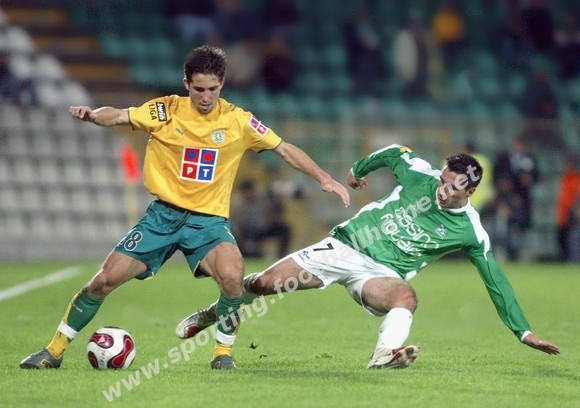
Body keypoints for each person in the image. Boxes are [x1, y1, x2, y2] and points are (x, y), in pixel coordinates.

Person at [19, 45, 350, 370]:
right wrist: (93, 116)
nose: (206, 97)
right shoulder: (164, 111)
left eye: (213, 89)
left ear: (222, 84)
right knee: (103, 282)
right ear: (186, 84)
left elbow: (284, 149)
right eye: (199, 89)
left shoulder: (238, 121)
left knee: (233, 275)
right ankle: (54, 351)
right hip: (162, 217)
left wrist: (324, 178)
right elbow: (118, 115)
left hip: (208, 223)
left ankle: (222, 354)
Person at [176, 144, 560, 369]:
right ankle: (215, 312)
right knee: (263, 284)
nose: (442, 191)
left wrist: (523, 331)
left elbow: (495, 281)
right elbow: (394, 152)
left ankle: (384, 355)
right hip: (344, 248)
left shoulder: (472, 231)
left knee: (406, 296)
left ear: (470, 193)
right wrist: (356, 171)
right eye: (442, 181)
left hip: (379, 276)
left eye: (453, 189)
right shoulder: (419, 173)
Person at [491, 136, 539, 260]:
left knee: (521, 226)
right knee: (500, 224)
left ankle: (520, 254)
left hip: (523, 200)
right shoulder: (503, 158)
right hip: (504, 199)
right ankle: (499, 252)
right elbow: (496, 176)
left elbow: (536, 176)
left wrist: (530, 179)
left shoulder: (529, 159)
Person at [230, 179, 291, 258]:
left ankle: (282, 255)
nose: (249, 194)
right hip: (248, 232)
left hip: (264, 228)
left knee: (284, 229)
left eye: (250, 191)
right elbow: (235, 223)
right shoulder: (239, 205)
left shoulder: (263, 198)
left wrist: (274, 216)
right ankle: (247, 253)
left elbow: (276, 206)